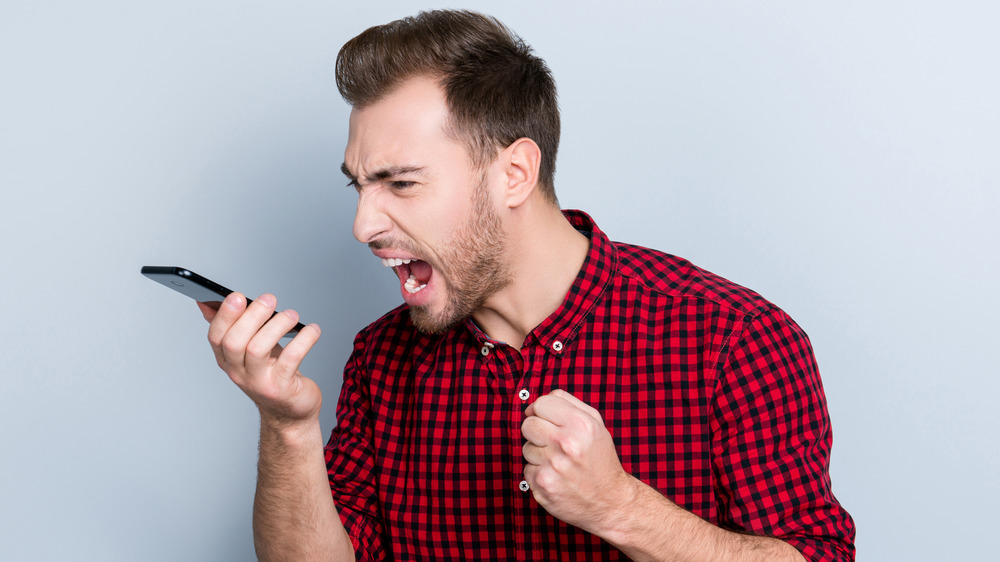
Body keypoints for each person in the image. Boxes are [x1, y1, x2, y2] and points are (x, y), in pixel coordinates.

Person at [199, 9, 856, 561]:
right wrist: (288, 428)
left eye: (400, 182)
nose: (363, 224)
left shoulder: (733, 339)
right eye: (359, 185)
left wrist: (621, 507)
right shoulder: (382, 359)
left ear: (513, 173)